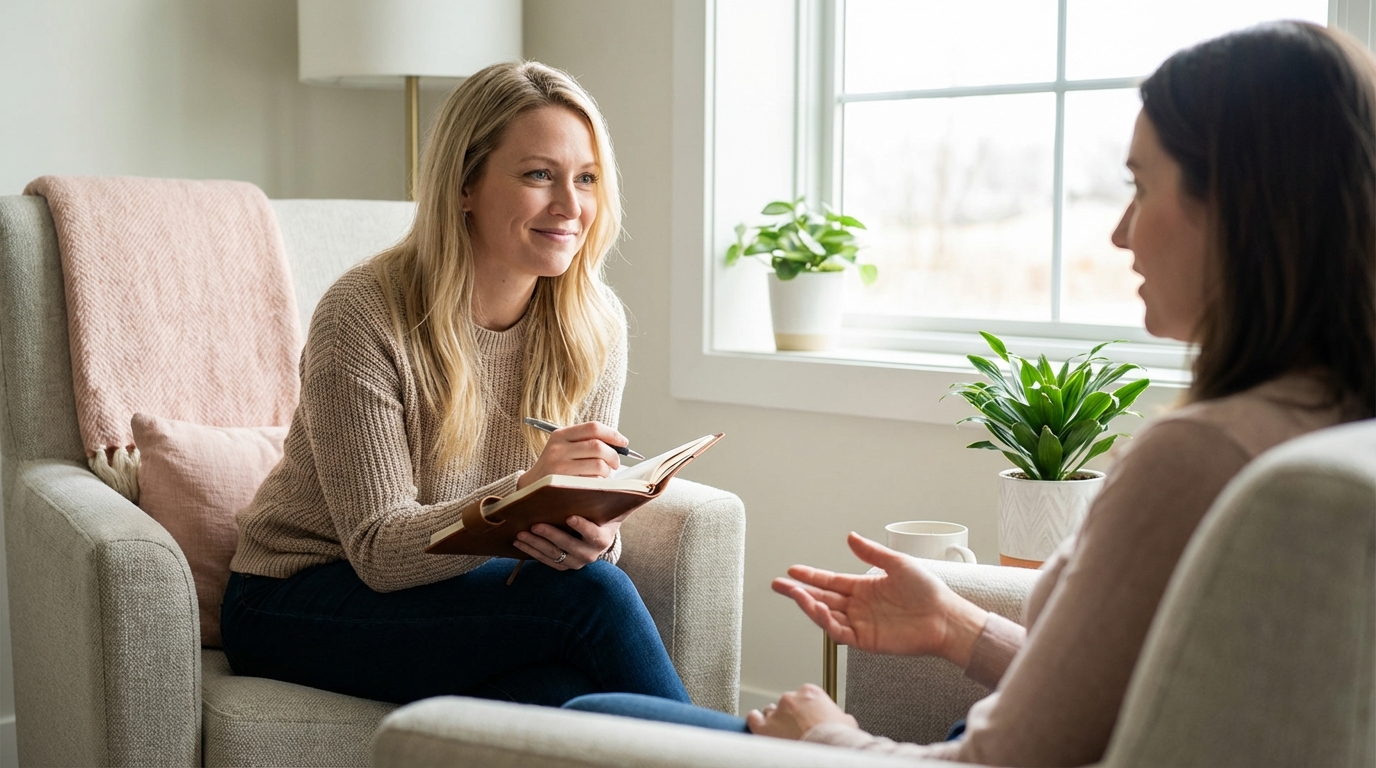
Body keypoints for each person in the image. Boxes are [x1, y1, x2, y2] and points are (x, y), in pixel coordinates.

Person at [564, 20, 1376, 764]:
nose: (1121, 231)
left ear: (1237, 208)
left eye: (1141, 186)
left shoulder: (1199, 455)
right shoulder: (1330, 420)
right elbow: (1149, 691)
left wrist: (830, 736)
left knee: (594, 717)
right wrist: (959, 626)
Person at [220, 61, 692, 708]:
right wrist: (525, 491)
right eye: (538, 175)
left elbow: (581, 523)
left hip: (449, 590)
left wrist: (601, 536)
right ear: (465, 185)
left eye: (586, 179)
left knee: (563, 693)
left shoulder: (595, 324)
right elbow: (380, 551)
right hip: (298, 595)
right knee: (590, 600)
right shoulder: (365, 312)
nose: (570, 206)